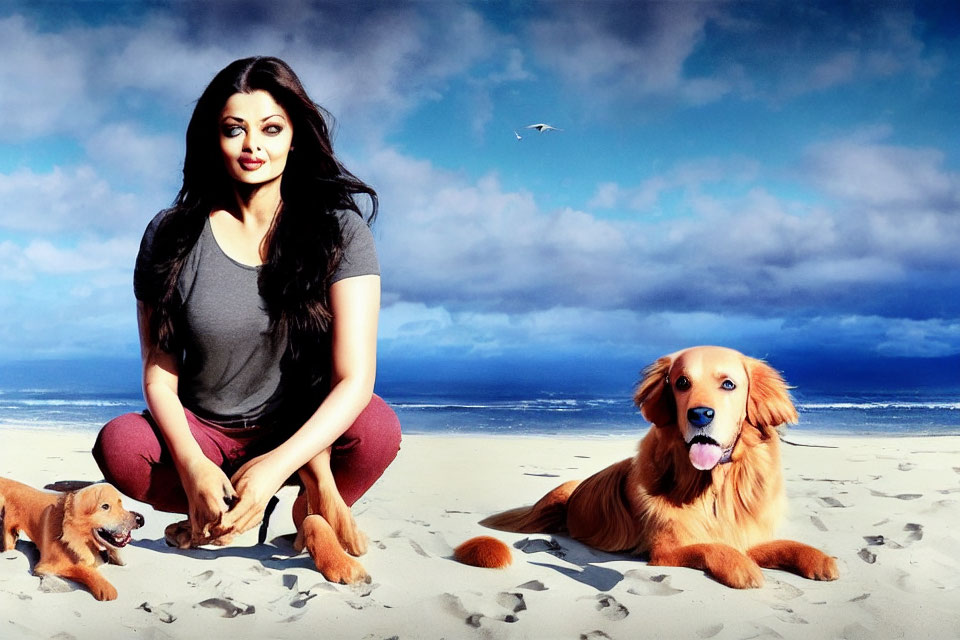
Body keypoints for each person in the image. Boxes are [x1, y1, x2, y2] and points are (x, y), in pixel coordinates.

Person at [93, 57, 401, 584]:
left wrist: (276, 465)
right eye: (234, 129)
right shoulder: (169, 234)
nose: (252, 145)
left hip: (298, 428)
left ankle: (302, 495)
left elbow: (355, 378)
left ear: (295, 138)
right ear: (213, 139)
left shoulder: (339, 231)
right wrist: (191, 466)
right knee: (120, 445)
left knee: (376, 430)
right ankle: (222, 504)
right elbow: (158, 371)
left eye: (271, 128)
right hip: (206, 428)